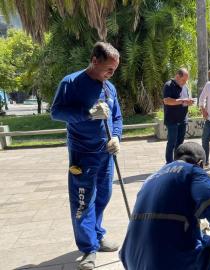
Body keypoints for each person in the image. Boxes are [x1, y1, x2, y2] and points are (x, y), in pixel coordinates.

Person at [51, 42, 123, 270]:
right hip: (83, 154)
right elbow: (56, 112)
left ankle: (97, 233)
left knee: (104, 195)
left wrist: (117, 137)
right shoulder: (71, 82)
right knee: (83, 201)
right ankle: (88, 248)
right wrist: (87, 114)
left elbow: (117, 117)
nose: (112, 74)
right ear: (94, 60)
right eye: (108, 69)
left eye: (115, 69)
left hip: (106, 154)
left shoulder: (109, 88)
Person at [119, 142, 210, 270]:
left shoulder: (150, 179)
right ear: (200, 163)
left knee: (202, 237)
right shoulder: (193, 172)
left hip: (130, 260)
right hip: (170, 263)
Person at [162, 68, 194, 164]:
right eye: (183, 80)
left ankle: (178, 162)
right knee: (171, 143)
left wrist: (189, 102)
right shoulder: (168, 85)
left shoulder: (185, 87)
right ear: (177, 76)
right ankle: (169, 164)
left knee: (180, 144)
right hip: (172, 120)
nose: (185, 82)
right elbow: (167, 101)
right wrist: (184, 101)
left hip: (183, 119)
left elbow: (184, 100)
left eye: (186, 80)